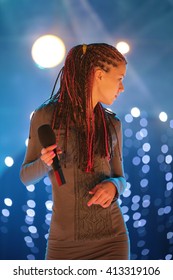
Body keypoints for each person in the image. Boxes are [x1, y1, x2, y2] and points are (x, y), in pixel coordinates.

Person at [20, 43, 130, 260]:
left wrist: (114, 186)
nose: (122, 87)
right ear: (99, 75)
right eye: (119, 78)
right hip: (64, 247)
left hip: (112, 242)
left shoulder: (112, 124)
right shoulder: (45, 116)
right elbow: (25, 177)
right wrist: (45, 162)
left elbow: (121, 178)